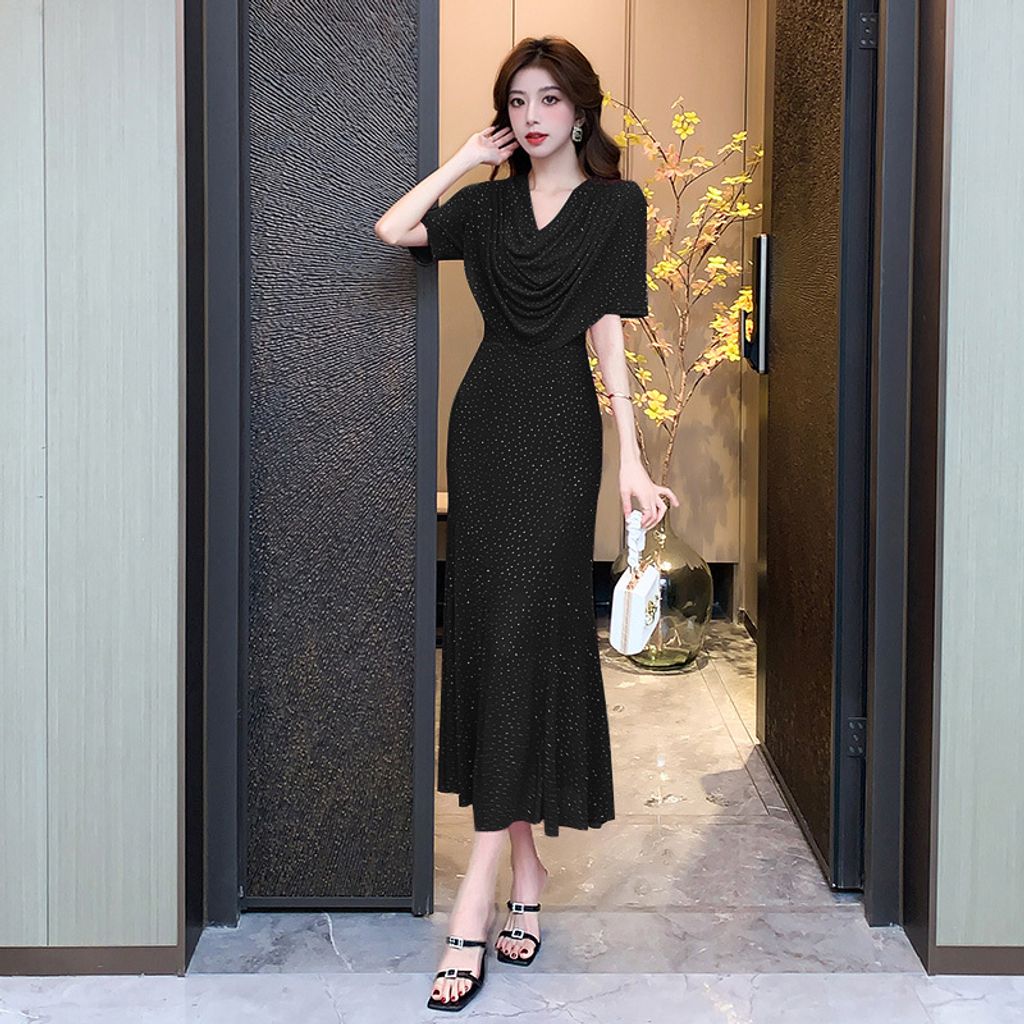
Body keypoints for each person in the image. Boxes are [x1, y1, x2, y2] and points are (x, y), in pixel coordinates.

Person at [374, 34, 678, 1012]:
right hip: (485, 424)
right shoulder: (488, 205)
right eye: (518, 100)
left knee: (523, 635)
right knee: (489, 637)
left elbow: (608, 338)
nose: (534, 115)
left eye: (550, 98)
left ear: (581, 109)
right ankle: (527, 870)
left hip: (560, 432)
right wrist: (466, 158)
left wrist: (631, 457)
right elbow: (393, 228)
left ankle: (475, 895)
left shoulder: (615, 207)